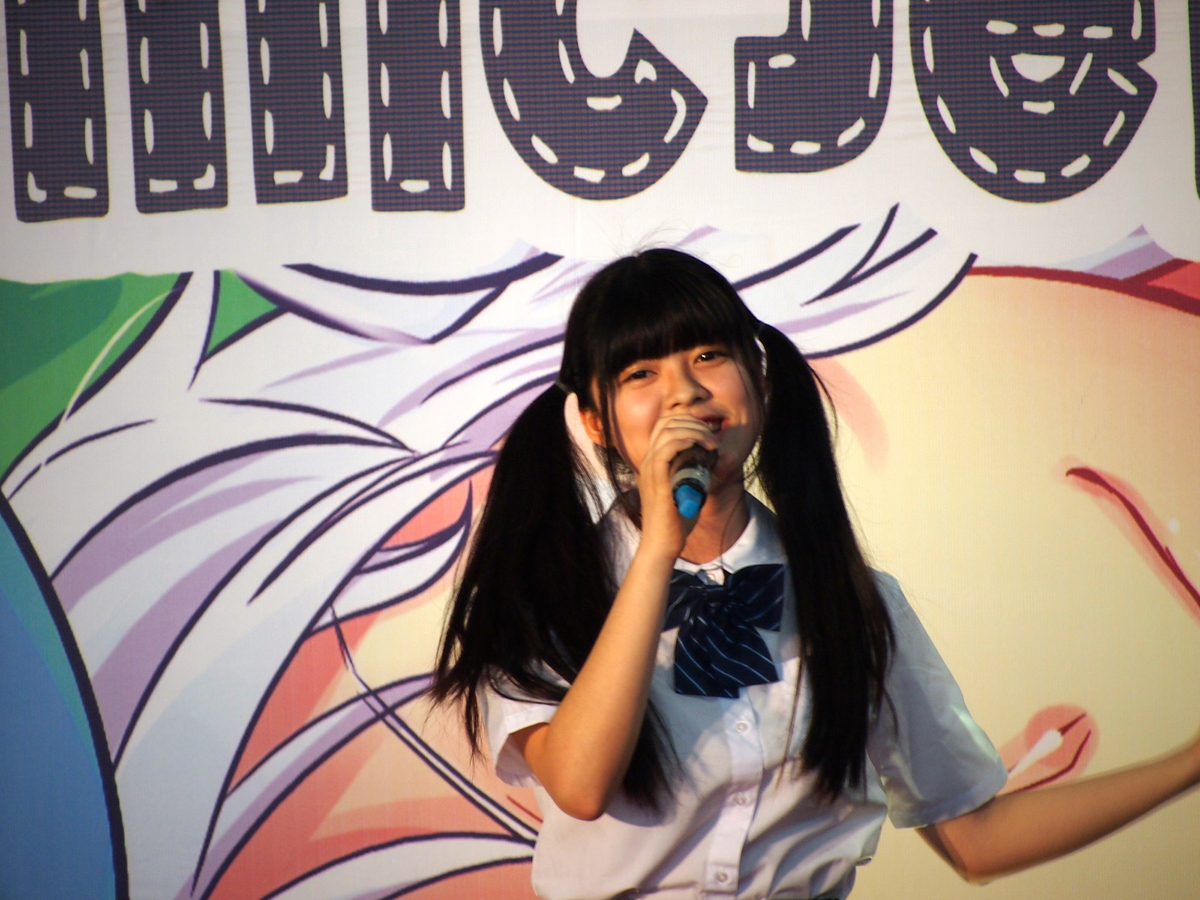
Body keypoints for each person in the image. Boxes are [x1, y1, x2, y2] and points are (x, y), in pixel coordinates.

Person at [430, 248, 1200, 899]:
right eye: (641, 373)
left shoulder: (850, 602)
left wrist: (1190, 763)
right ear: (596, 421)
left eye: (708, 356)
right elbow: (580, 784)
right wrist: (659, 548)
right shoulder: (544, 593)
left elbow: (975, 837)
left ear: (759, 382)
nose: (685, 392)